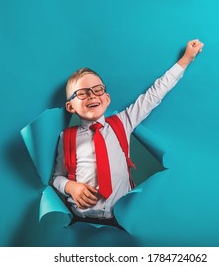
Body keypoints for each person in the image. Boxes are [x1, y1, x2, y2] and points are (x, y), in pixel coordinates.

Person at [52, 39, 204, 229]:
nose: (92, 95)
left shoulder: (122, 122)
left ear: (107, 98)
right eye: (82, 93)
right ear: (70, 106)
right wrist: (70, 187)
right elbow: (57, 177)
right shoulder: (65, 137)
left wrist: (186, 59)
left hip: (121, 220)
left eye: (97, 90)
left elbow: (153, 95)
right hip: (81, 220)